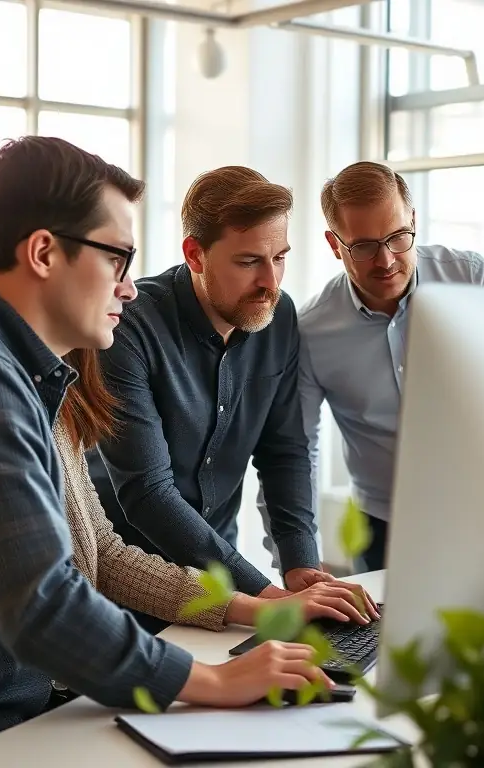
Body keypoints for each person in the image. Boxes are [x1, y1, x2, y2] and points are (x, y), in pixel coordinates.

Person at [0, 137, 333, 743]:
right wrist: (215, 683)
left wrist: (256, 608)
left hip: (8, 708)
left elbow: (102, 557)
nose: (130, 287)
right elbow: (43, 608)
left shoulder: (20, 369)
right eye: (117, 258)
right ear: (43, 253)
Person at [96, 165, 377, 617]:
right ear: (195, 254)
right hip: (127, 580)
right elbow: (148, 493)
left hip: (221, 584)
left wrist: (300, 564)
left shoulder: (277, 315)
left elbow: (284, 450)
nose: (270, 281)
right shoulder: (128, 326)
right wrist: (263, 593)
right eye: (249, 262)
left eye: (280, 257)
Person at [262, 160, 484, 573]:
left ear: (413, 220)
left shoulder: (475, 281)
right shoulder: (311, 330)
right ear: (334, 244)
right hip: (383, 529)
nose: (385, 261)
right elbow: (294, 451)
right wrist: (295, 559)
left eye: (398, 237)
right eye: (362, 246)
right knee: (385, 640)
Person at [56, 346, 376, 632]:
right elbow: (149, 496)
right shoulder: (16, 406)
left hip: (190, 587)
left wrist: (272, 599)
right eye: (116, 276)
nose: (126, 291)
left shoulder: (60, 399)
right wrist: (265, 601)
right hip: (73, 657)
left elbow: (105, 555)